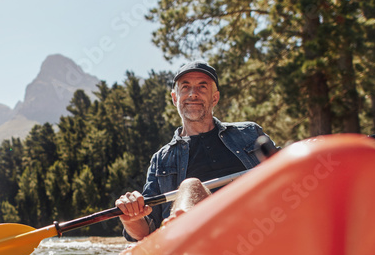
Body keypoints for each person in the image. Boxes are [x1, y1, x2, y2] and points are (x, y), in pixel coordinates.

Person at [116, 60, 276, 241]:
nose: (193, 94)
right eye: (185, 87)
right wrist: (130, 218)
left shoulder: (249, 134)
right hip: (197, 246)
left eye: (202, 87)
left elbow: (288, 176)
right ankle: (183, 237)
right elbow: (145, 233)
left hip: (259, 232)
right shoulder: (161, 160)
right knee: (190, 186)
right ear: (175, 98)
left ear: (214, 98)